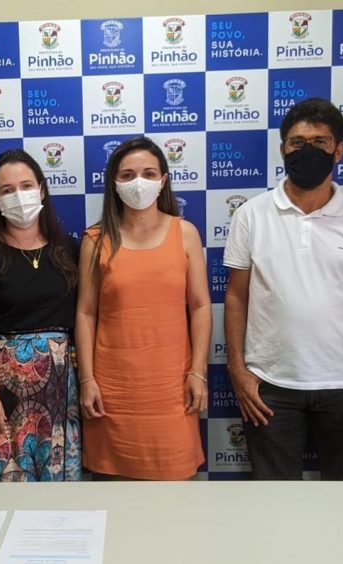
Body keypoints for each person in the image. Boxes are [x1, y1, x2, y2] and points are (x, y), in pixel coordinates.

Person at [223, 98, 343, 480]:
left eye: (320, 142)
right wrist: (238, 370)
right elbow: (236, 297)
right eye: (297, 142)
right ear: (282, 148)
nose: (308, 150)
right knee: (274, 500)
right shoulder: (251, 215)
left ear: (339, 150)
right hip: (270, 385)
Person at [76, 137, 210, 480]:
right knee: (114, 496)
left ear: (163, 180)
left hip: (173, 390)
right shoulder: (95, 240)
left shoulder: (185, 234)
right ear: (114, 182)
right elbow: (86, 313)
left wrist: (198, 372)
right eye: (128, 175)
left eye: (149, 173)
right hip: (113, 392)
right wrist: (87, 379)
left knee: (174, 497)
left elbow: (199, 306)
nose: (139, 182)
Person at [0, 149, 81, 482]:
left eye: (26, 186)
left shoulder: (68, 251)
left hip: (57, 391)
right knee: (2, 481)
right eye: (8, 190)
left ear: (42, 190)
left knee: (53, 483)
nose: (19, 196)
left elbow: (85, 317)